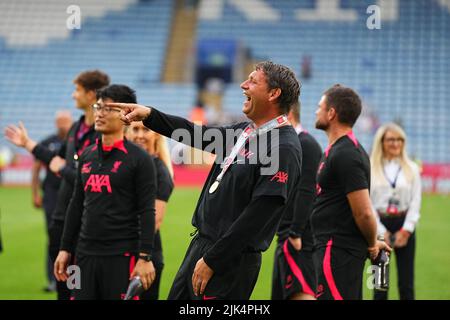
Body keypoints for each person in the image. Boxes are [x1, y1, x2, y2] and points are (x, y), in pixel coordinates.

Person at [107, 61, 303, 300]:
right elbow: (194, 134)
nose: (243, 85)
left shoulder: (283, 147)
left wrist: (213, 260)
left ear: (273, 94)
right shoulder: (245, 132)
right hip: (201, 247)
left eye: (252, 81)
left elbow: (258, 216)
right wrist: (149, 115)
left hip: (228, 261)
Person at [4, 70, 110, 299]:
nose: (73, 96)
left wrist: (64, 170)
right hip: (62, 221)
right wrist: (29, 144)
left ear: (91, 94)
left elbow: (88, 180)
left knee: (80, 287)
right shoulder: (76, 128)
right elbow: (56, 161)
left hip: (85, 223)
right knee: (64, 285)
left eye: (77, 90)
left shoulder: (102, 135)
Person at [54, 84, 157, 300]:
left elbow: (148, 210)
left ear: (125, 113)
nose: (99, 113)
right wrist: (65, 249)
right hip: (82, 255)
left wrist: (145, 257)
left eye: (107, 108)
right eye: (97, 107)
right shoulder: (87, 155)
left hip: (121, 256)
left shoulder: (140, 159)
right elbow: (76, 204)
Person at [311, 84, 391, 300]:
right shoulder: (336, 150)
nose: (316, 111)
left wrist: (372, 244)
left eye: (320, 106)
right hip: (331, 249)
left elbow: (363, 212)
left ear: (331, 113)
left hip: (337, 251)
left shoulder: (347, 154)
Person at [271, 101, 322, 300]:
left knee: (300, 292)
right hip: (285, 233)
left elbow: (307, 190)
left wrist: (295, 232)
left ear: (288, 114)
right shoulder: (288, 144)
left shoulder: (306, 144)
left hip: (297, 236)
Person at [370, 123, 421, 300]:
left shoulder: (412, 168)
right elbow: (367, 202)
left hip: (404, 226)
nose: (396, 143)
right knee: (379, 284)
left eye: (399, 139)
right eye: (391, 139)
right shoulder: (371, 167)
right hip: (379, 227)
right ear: (382, 142)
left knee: (406, 283)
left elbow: (415, 202)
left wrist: (407, 230)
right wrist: (380, 231)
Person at [126, 122, 174, 300]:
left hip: (145, 256)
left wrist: (142, 257)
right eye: (135, 129)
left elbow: (154, 222)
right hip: (122, 252)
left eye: (145, 129)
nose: (139, 135)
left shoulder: (160, 172)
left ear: (157, 136)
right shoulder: (127, 165)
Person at [31, 110, 73, 292]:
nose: (62, 124)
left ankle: (73, 278)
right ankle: (53, 279)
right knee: (53, 236)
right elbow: (36, 168)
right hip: (51, 193)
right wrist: (35, 193)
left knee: (73, 236)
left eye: (65, 121)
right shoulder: (47, 142)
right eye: (60, 121)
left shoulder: (75, 141)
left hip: (72, 193)